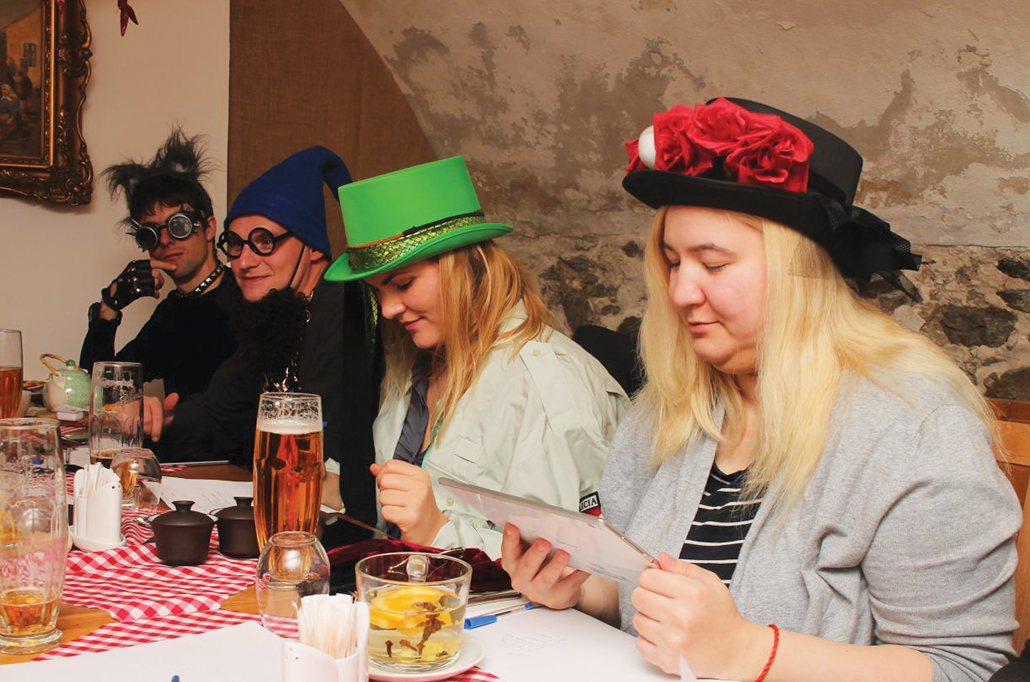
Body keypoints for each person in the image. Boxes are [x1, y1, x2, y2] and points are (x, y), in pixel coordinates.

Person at [501, 98, 1021, 682]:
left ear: (803, 273)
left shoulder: (914, 428)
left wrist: (749, 653)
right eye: (672, 262)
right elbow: (634, 593)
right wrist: (577, 589)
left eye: (713, 265)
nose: (680, 292)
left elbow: (963, 667)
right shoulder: (669, 407)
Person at [324, 156, 630, 559]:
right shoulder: (417, 362)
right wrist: (339, 495)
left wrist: (438, 530)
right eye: (377, 291)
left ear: (463, 268)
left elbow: (576, 563)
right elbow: (398, 514)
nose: (390, 309)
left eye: (404, 284)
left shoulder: (546, 380)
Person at [143, 146, 381, 541]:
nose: (244, 261)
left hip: (345, 531)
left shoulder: (345, 307)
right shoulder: (276, 314)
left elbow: (343, 447)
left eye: (264, 241)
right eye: (235, 244)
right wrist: (163, 420)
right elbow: (218, 410)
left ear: (313, 247)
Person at [80, 130, 239, 400]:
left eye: (179, 225)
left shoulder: (245, 298)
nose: (165, 240)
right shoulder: (172, 314)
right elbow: (100, 394)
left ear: (209, 228)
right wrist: (109, 307)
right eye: (151, 233)